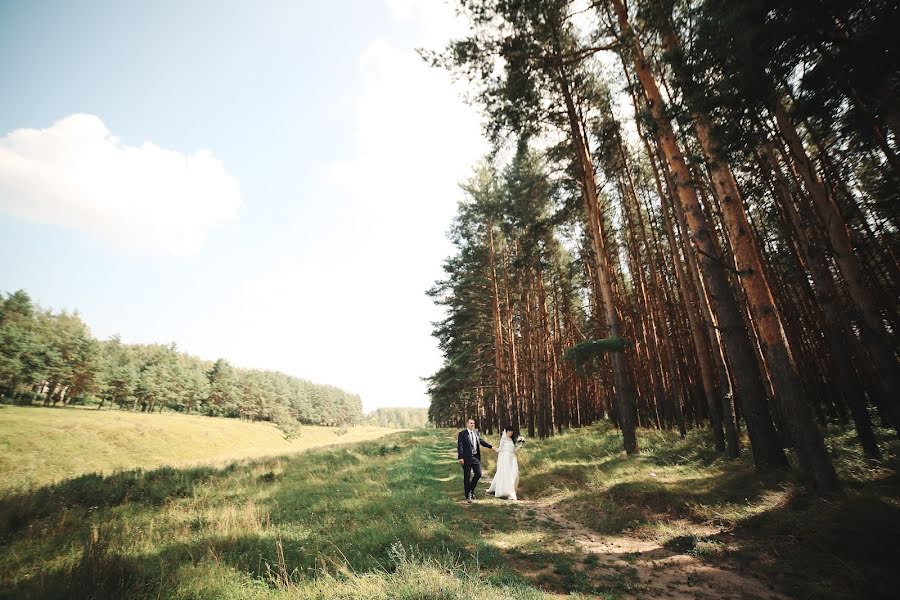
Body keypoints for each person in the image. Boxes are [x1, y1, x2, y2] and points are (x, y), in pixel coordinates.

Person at [457, 418, 496, 503]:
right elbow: (460, 446)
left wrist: (490, 446)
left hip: (475, 457)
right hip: (466, 458)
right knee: (467, 476)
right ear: (467, 424)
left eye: (473, 423)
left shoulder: (476, 433)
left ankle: (470, 490)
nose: (472, 425)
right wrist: (460, 457)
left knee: (478, 474)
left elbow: (481, 441)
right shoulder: (462, 434)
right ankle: (468, 495)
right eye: (471, 423)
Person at [486, 425, 521, 500]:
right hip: (505, 458)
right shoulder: (503, 440)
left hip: (512, 458)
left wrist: (519, 446)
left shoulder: (512, 440)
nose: (510, 433)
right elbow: (500, 449)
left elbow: (513, 450)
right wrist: (494, 449)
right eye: (509, 431)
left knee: (514, 473)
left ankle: (511, 490)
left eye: (511, 432)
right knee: (506, 474)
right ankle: (508, 492)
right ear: (506, 431)